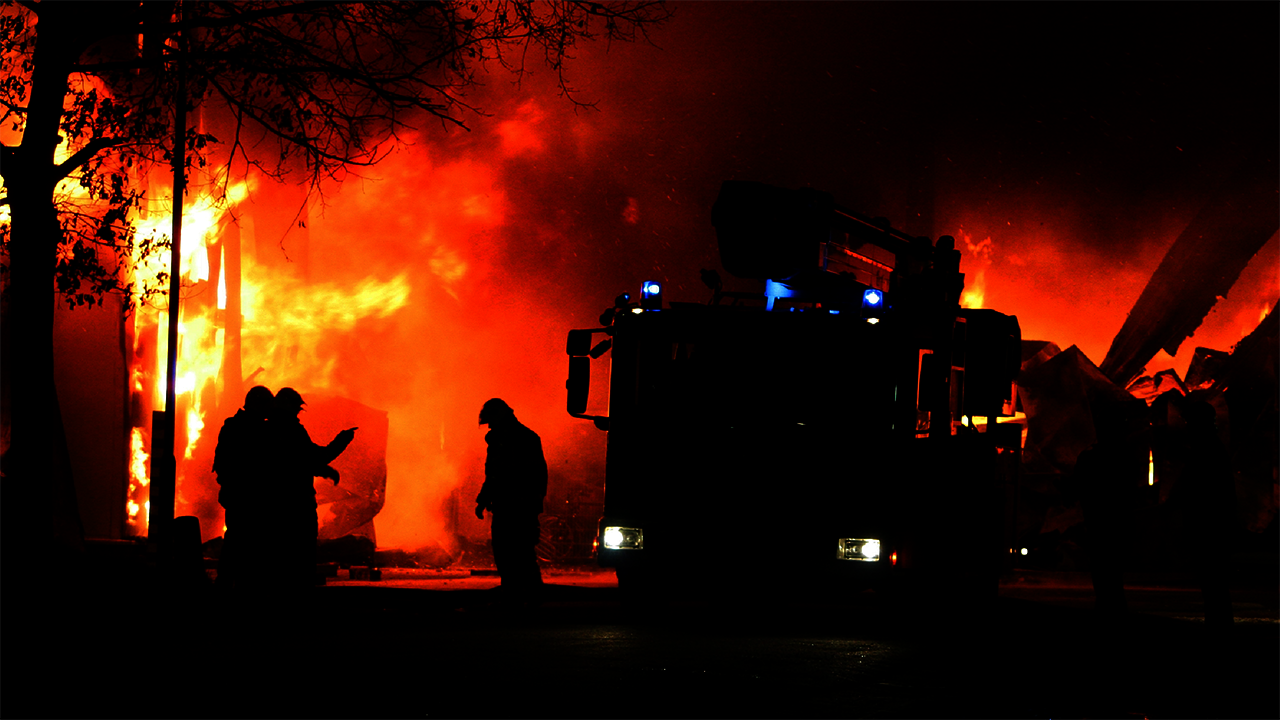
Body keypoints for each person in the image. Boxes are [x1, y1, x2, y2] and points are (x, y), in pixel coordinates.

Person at [267, 387, 357, 589]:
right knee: (301, 555)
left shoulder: (266, 430)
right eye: (296, 409)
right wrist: (341, 441)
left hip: (272, 505)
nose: (298, 414)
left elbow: (297, 460)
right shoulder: (291, 430)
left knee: (278, 558)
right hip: (296, 504)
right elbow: (314, 457)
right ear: (287, 406)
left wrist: (324, 470)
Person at [475, 398, 548, 601]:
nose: (488, 426)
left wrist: (484, 499)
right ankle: (526, 595)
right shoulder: (524, 438)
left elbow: (497, 474)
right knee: (520, 553)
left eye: (490, 421)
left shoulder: (507, 440)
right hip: (520, 507)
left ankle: (519, 595)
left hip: (513, 507)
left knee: (512, 553)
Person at [213, 385, 274, 588]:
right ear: (258, 405)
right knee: (244, 541)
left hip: (242, 496)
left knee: (237, 540)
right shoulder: (249, 430)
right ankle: (238, 585)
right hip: (246, 497)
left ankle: (232, 583)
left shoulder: (234, 427)